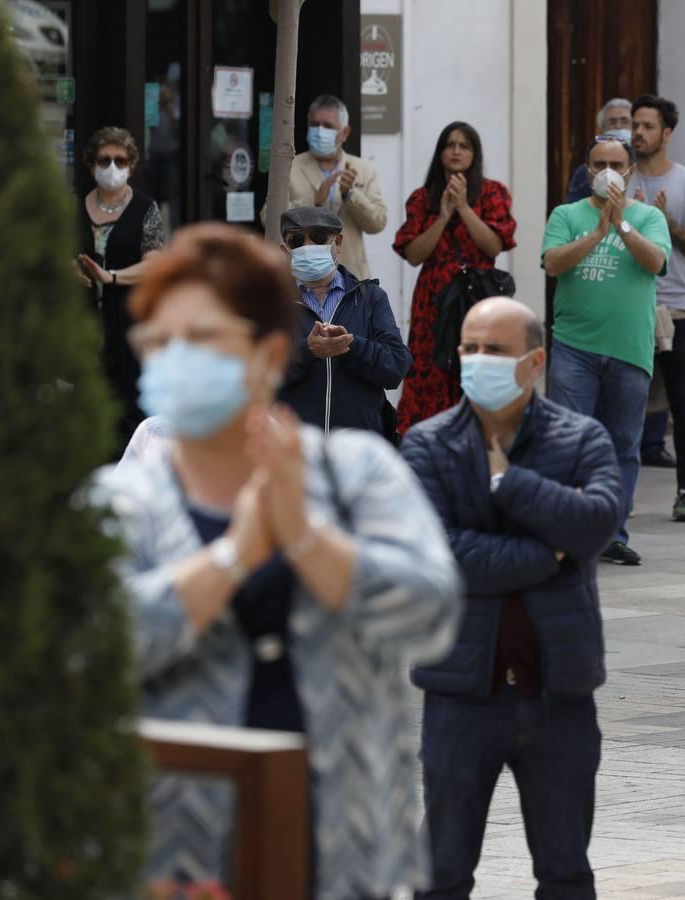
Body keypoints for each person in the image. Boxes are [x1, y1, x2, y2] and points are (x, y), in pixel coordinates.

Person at [92, 223, 460, 900]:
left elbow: (431, 614)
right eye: (159, 341)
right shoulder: (123, 499)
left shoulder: (355, 475)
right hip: (179, 856)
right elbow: (98, 642)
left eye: (202, 339)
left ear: (266, 353)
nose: (178, 358)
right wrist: (235, 556)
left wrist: (306, 537)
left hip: (342, 850)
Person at [403, 297, 624, 899]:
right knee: (440, 875)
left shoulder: (581, 438)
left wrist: (510, 483)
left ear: (534, 363)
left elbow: (596, 524)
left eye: (494, 351)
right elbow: (439, 555)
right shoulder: (428, 446)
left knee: (565, 874)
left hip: (558, 695)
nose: (477, 361)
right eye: (469, 349)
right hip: (460, 695)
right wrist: (545, 555)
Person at [542, 136, 671, 566]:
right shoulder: (566, 214)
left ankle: (612, 533)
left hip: (630, 350)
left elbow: (655, 262)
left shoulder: (649, 217)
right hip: (573, 348)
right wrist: (597, 231)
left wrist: (620, 225)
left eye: (617, 163)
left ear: (630, 170)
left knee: (622, 445)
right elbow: (553, 263)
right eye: (599, 163)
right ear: (587, 169)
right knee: (569, 441)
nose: (608, 171)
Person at [393, 121, 517, 432]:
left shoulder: (492, 193)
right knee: (430, 371)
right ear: (441, 152)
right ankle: (428, 443)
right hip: (433, 302)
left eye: (464, 145)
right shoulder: (422, 198)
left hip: (477, 301)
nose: (457, 151)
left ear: (475, 154)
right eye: (450, 144)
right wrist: (444, 215)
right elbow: (413, 255)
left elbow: (494, 246)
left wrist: (463, 208)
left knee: (478, 372)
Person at [627, 95, 685, 521]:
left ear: (667, 133)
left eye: (647, 126)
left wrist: (664, 222)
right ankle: (618, 494)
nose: (638, 133)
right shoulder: (619, 182)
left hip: (678, 307)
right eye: (634, 125)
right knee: (628, 400)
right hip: (631, 305)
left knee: (684, 404)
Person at [276, 207, 410, 435]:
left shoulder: (369, 297)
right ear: (285, 250)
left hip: (360, 450)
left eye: (318, 238)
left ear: (337, 242)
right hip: (295, 451)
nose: (308, 247)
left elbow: (395, 368)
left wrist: (351, 345)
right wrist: (308, 352)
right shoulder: (274, 302)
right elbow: (259, 377)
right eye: (297, 240)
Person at [76, 126, 166, 445]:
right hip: (81, 327)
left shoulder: (144, 209)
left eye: (120, 160)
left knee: (129, 410)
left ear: (131, 164)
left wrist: (111, 277)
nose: (112, 167)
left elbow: (154, 263)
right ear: (91, 164)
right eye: (104, 160)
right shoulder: (74, 207)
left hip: (128, 324)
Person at [282, 94, 386, 280]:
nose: (319, 131)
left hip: (351, 279)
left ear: (345, 133)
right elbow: (270, 216)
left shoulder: (364, 170)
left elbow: (378, 222)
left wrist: (350, 195)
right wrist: (313, 202)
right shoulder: (290, 168)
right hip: (302, 279)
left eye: (328, 126)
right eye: (314, 125)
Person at [566, 97, 633, 203]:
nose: (619, 126)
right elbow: (574, 211)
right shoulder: (585, 172)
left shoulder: (644, 165)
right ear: (602, 129)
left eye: (624, 121)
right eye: (612, 122)